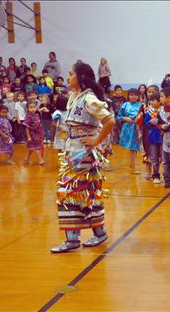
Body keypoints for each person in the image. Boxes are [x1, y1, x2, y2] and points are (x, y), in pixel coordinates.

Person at [50, 62, 115, 253]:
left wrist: (96, 140)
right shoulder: (74, 97)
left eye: (71, 74)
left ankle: (85, 236)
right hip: (72, 153)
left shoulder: (89, 99)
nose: (68, 77)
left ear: (81, 78)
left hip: (84, 155)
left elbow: (110, 120)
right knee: (76, 193)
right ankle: (86, 236)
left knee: (78, 192)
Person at [118, 88, 143, 174]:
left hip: (138, 128)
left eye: (135, 95)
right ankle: (133, 168)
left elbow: (143, 116)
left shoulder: (141, 105)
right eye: (131, 95)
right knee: (132, 148)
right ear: (128, 96)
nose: (133, 97)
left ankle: (132, 164)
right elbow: (119, 116)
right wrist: (125, 118)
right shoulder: (125, 104)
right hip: (128, 128)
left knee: (135, 147)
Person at [144, 92, 163, 184]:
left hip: (163, 137)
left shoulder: (163, 111)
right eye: (151, 100)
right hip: (152, 137)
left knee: (163, 158)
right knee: (154, 157)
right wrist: (150, 122)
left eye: (154, 100)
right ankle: (156, 175)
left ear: (160, 101)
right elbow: (145, 124)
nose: (151, 102)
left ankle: (167, 176)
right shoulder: (149, 112)